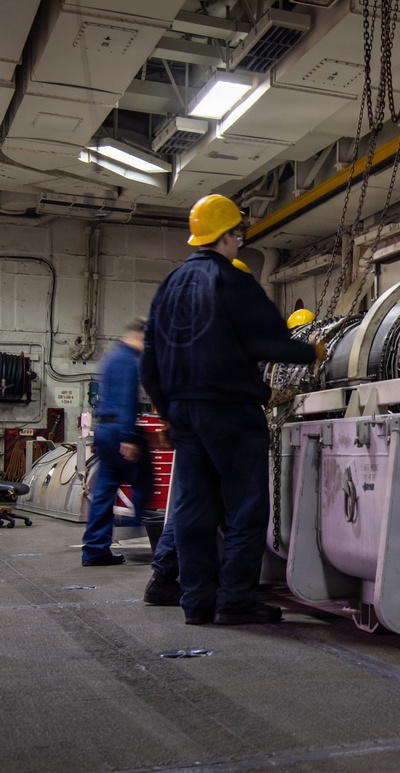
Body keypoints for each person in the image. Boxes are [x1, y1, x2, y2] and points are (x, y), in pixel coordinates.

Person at [141, 194, 323, 626]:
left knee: (192, 510)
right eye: (237, 233)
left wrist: (167, 411)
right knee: (244, 508)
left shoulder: (169, 286)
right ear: (226, 235)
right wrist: (311, 351)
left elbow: (149, 360)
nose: (239, 240)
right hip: (232, 414)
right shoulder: (231, 281)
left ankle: (196, 603)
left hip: (185, 415)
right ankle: (236, 601)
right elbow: (267, 342)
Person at [82, 317, 153, 566]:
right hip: (119, 431)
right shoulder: (128, 360)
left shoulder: (111, 357)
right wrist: (128, 437)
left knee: (104, 491)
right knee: (145, 477)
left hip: (104, 429)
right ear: (139, 336)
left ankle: (94, 550)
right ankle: (137, 524)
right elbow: (126, 400)